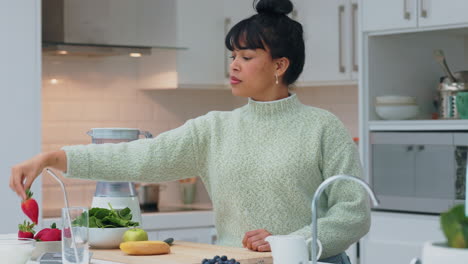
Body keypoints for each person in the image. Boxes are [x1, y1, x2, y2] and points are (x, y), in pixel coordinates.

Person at [10, 0, 369, 263]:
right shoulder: (214, 129)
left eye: (245, 57)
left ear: (279, 65)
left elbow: (352, 214)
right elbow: (140, 157)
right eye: (232, 56)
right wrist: (56, 157)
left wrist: (290, 242)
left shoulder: (323, 128)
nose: (233, 65)